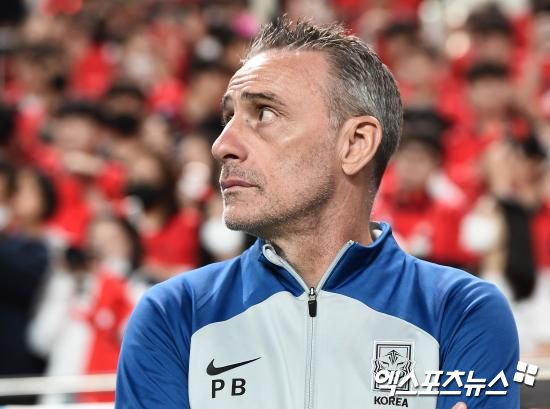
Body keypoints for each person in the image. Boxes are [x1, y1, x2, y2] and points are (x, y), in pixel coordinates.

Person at [116, 18, 519, 409]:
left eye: (264, 113)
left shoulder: (462, 311)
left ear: (355, 144)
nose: (222, 145)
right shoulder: (172, 315)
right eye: (229, 117)